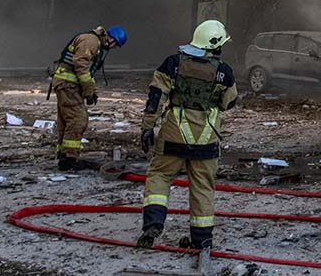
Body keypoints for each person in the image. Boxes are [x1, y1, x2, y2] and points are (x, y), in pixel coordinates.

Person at [137, 19, 237, 259]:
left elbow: (155, 97)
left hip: (174, 133)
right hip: (206, 138)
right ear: (215, 45)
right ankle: (201, 240)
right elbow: (229, 102)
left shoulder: (172, 64)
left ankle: (154, 223)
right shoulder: (224, 72)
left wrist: (147, 128)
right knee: (203, 187)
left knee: (160, 176)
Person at [49, 24, 127, 170]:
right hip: (68, 85)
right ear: (112, 39)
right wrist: (88, 91)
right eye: (115, 44)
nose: (113, 48)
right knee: (78, 119)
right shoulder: (91, 41)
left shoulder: (93, 41)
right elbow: (81, 66)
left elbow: (87, 73)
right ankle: (70, 158)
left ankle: (64, 155)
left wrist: (92, 91)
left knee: (66, 120)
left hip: (67, 85)